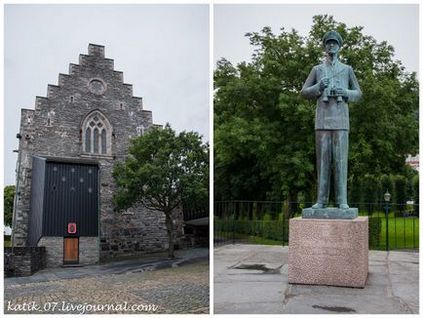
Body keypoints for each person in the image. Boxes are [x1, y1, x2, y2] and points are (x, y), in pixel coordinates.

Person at [301, 31, 362, 209]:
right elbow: (304, 92)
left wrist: (346, 93)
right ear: (325, 46)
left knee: (341, 162)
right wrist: (318, 87)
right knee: (323, 163)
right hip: (322, 121)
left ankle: (342, 200)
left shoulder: (347, 69)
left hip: (341, 122)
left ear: (339, 46)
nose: (331, 46)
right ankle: (321, 201)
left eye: (334, 43)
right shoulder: (317, 69)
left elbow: (358, 93)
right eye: (328, 43)